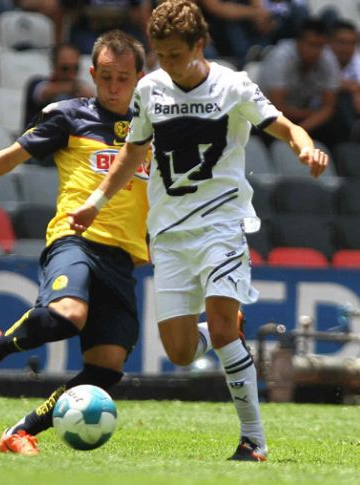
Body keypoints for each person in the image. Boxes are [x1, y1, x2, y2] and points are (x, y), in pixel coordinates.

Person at [69, 0, 328, 462]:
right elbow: (133, 153)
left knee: (225, 328)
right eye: (160, 54)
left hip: (221, 223)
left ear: (199, 44)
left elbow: (285, 128)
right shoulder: (149, 90)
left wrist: (306, 148)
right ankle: (223, 329)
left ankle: (254, 441)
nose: (167, 63)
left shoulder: (233, 86)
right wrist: (95, 202)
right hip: (168, 232)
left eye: (175, 54)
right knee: (181, 351)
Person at [0, 30, 149, 456]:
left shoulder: (153, 130)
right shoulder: (70, 116)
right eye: (105, 76)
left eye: (123, 78)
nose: (113, 86)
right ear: (92, 73)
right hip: (76, 241)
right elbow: (9, 157)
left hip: (123, 258)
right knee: (67, 314)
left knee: (107, 368)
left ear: (139, 79)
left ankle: (21, 431)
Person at [258, 18, 341, 149]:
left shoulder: (328, 58)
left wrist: (301, 129)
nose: (316, 51)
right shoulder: (280, 57)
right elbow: (278, 108)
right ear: (298, 42)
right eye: (311, 45)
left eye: (320, 46)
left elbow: (329, 107)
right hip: (266, 114)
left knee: (335, 125)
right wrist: (309, 115)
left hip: (303, 116)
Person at [23, 43, 96, 131]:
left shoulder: (81, 90)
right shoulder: (36, 84)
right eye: (65, 68)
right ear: (54, 65)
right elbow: (42, 92)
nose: (71, 74)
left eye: (75, 68)